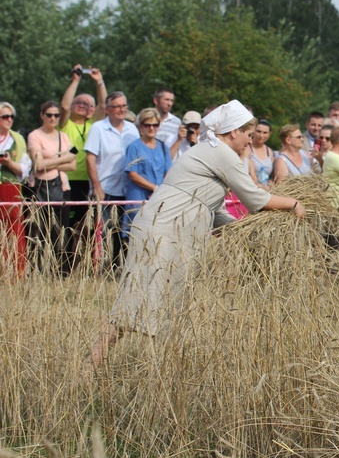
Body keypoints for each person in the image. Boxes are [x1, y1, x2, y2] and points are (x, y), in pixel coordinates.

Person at [88, 100, 306, 367]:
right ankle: (91, 365)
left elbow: (211, 210)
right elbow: (255, 199)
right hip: (164, 229)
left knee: (168, 304)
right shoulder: (221, 153)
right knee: (136, 302)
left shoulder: (211, 150)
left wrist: (240, 230)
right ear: (234, 132)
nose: (250, 143)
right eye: (248, 136)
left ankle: (164, 371)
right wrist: (293, 204)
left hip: (172, 229)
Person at [85, 91, 140, 272]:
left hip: (128, 188)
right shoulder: (98, 128)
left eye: (124, 106)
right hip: (105, 188)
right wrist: (97, 186)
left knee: (122, 232)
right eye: (117, 106)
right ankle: (95, 268)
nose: (121, 109)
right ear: (108, 109)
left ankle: (117, 267)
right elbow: (90, 159)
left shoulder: (132, 129)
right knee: (101, 231)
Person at [27, 101, 78, 273]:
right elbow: (38, 165)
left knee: (61, 231)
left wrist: (50, 161)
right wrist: (63, 158)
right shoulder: (34, 135)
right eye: (49, 114)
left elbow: (74, 165)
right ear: (42, 115)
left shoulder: (63, 136)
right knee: (40, 232)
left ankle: (60, 271)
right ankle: (39, 270)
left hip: (62, 187)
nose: (53, 118)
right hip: (41, 188)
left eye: (57, 115)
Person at [59, 64, 107, 229]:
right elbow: (64, 106)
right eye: (78, 102)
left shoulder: (94, 124)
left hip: (88, 181)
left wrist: (99, 82)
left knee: (84, 225)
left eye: (87, 104)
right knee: (65, 223)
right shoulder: (65, 124)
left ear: (93, 110)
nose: (82, 105)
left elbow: (103, 104)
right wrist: (75, 80)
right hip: (66, 180)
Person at [122, 108, 172, 238]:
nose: (151, 128)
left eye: (155, 125)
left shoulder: (163, 147)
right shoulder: (134, 147)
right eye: (147, 125)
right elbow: (132, 174)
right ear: (140, 127)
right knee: (136, 235)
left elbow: (168, 171)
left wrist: (160, 191)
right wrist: (154, 188)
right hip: (138, 198)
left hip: (159, 197)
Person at [0, 102, 32, 279]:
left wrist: (8, 163)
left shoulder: (17, 140)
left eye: (11, 116)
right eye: (5, 116)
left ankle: (15, 272)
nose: (9, 119)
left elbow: (24, 168)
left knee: (14, 228)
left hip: (10, 187)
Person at [248, 119, 275, 188]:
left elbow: (272, 176)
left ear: (269, 134)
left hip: (267, 191)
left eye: (265, 133)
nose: (261, 135)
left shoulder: (270, 152)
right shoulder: (246, 148)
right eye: (258, 131)